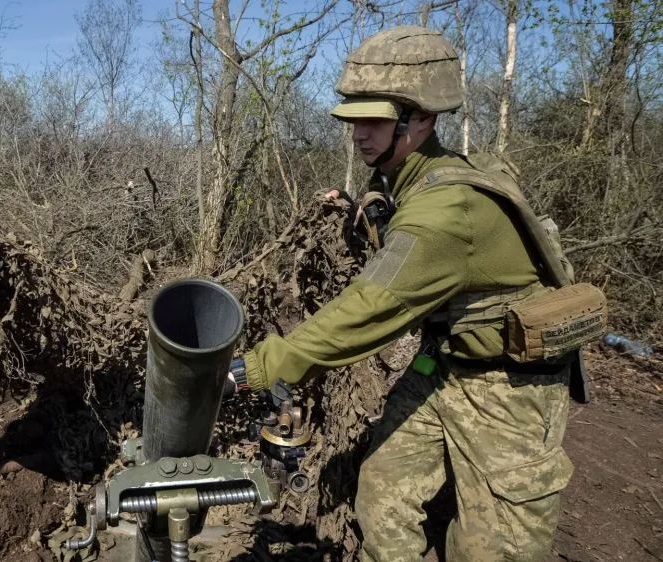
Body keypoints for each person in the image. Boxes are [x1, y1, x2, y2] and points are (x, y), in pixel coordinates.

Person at [228, 26, 599, 562]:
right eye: (353, 119)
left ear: (423, 118)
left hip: (512, 391)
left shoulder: (446, 211)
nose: (359, 133)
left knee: (493, 550)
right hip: (444, 365)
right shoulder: (413, 177)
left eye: (375, 119)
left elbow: (372, 307)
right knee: (383, 494)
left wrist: (253, 369)